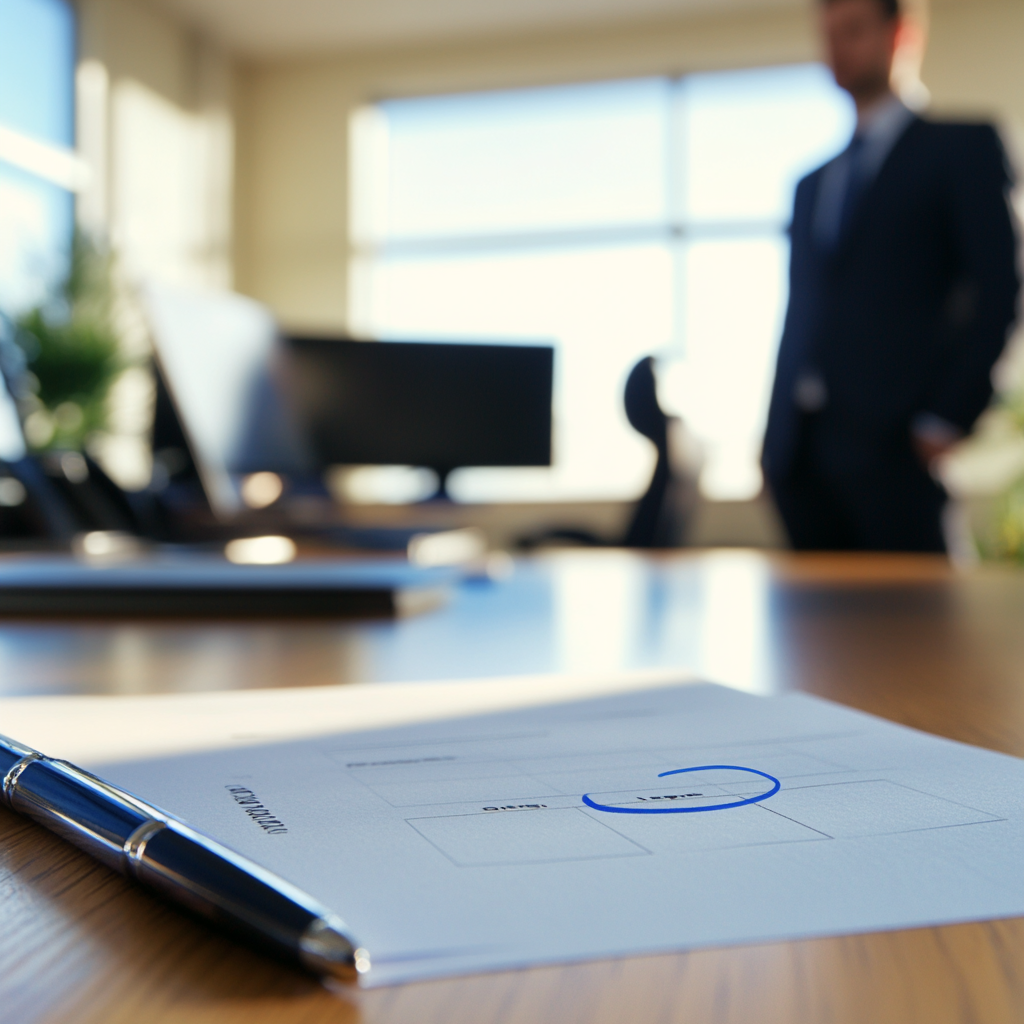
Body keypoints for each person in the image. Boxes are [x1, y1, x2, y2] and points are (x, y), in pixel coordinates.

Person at [762, 0, 1020, 552]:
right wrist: (774, 440)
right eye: (827, 34)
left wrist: (947, 417)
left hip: (896, 450)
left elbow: (1000, 290)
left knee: (919, 633)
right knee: (814, 636)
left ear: (900, 35)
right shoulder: (811, 184)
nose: (836, 48)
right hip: (801, 460)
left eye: (853, 30)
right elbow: (803, 311)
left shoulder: (962, 148)